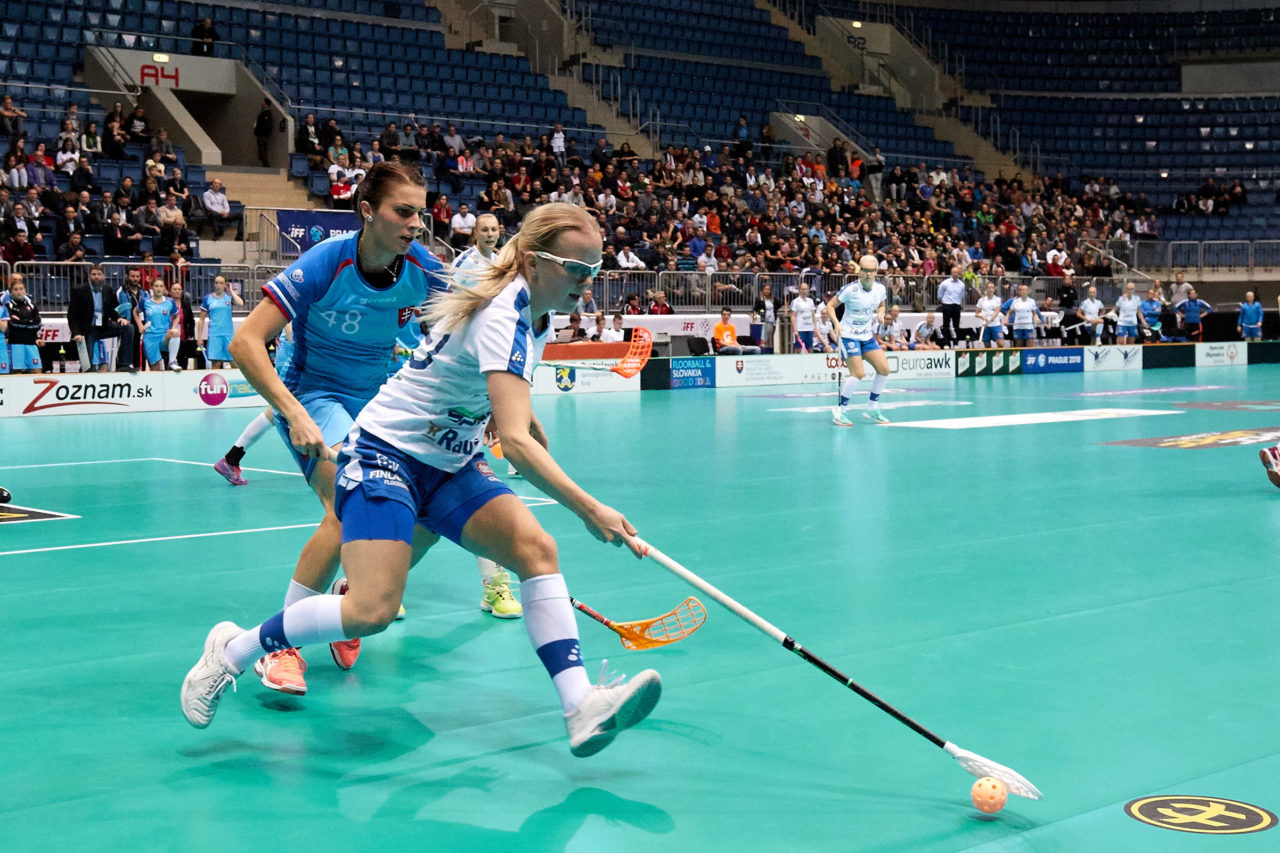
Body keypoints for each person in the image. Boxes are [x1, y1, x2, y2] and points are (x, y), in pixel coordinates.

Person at [181, 203, 663, 759]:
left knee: (535, 549)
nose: (587, 282)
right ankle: (233, 651)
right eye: (576, 268)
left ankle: (581, 708)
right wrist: (590, 508)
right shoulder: (506, 314)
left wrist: (517, 413)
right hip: (388, 453)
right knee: (371, 612)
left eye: (595, 271)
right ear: (534, 261)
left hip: (449, 461)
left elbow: (496, 406)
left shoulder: (540, 313)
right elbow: (519, 449)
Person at [203, 162, 444, 696]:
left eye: (421, 215)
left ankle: (346, 596)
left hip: (380, 402)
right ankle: (280, 646)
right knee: (345, 507)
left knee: (427, 508)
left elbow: (469, 324)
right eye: (402, 212)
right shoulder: (326, 263)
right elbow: (246, 343)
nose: (414, 225)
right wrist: (295, 412)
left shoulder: (423, 267)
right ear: (366, 213)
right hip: (316, 394)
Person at [452, 211, 523, 618]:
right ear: (473, 233)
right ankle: (370, 585)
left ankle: (495, 586)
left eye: (495, 230)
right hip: (449, 385)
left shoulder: (506, 270)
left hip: (476, 396)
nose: (490, 235)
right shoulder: (464, 268)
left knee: (477, 498)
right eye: (484, 230)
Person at [827, 255, 891, 426]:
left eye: (871, 271)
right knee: (858, 373)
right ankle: (841, 411)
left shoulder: (880, 289)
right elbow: (830, 306)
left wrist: (880, 313)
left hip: (867, 336)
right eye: (865, 270)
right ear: (859, 271)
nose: (868, 274)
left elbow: (882, 305)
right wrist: (836, 323)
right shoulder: (850, 290)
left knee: (884, 369)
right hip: (849, 335)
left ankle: (872, 407)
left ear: (876, 272)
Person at [68, 265, 125, 372]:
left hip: (103, 326)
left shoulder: (108, 290)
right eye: (94, 274)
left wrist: (119, 318)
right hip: (87, 329)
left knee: (128, 328)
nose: (96, 277)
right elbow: (72, 315)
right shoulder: (79, 290)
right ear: (89, 276)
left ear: (103, 276)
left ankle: (124, 364)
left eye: (99, 274)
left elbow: (114, 308)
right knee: (88, 365)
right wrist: (76, 333)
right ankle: (87, 376)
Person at [200, 275, 244, 368]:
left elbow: (241, 303)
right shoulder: (207, 299)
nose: (218, 285)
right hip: (214, 335)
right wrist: (199, 337)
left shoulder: (229, 297)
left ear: (225, 285)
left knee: (234, 364)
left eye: (221, 283)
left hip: (228, 335)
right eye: (216, 283)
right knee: (216, 365)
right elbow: (201, 319)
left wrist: (231, 290)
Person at [136, 277, 178, 371]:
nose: (159, 288)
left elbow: (176, 316)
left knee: (175, 333)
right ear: (152, 288)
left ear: (164, 288)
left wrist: (173, 327)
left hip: (164, 337)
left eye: (161, 286)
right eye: (156, 286)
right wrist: (140, 325)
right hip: (150, 337)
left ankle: (172, 361)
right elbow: (135, 312)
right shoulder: (145, 301)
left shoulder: (170, 302)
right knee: (155, 370)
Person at [3, 275, 42, 373]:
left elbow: (37, 323)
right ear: (11, 292)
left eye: (21, 289)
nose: (19, 291)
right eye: (16, 289)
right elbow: (12, 324)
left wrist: (21, 321)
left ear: (25, 291)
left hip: (32, 343)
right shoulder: (8, 306)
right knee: (17, 372)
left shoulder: (32, 305)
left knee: (36, 371)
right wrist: (29, 322)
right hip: (16, 344)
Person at [1006, 283, 1043, 348]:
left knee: (1030, 344)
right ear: (1020, 291)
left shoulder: (1032, 301)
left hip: (1028, 327)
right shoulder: (1015, 302)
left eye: (1025, 290)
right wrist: (1006, 320)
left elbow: (1034, 313)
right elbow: (1009, 313)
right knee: (1018, 345)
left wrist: (1037, 319)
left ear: (1028, 291)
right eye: (1022, 290)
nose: (1024, 291)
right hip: (1018, 326)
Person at [937, 265, 965, 347]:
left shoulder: (961, 285)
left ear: (959, 273)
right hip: (947, 305)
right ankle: (946, 343)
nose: (955, 274)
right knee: (946, 325)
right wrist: (944, 302)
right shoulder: (945, 283)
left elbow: (961, 295)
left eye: (957, 272)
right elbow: (939, 295)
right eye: (954, 272)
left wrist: (957, 302)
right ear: (951, 273)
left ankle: (956, 343)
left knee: (956, 326)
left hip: (956, 305)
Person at [975, 281, 1006, 347]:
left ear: (994, 289)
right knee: (987, 346)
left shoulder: (997, 299)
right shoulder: (981, 300)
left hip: (995, 324)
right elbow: (976, 313)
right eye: (989, 288)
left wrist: (989, 321)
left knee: (1000, 344)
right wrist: (983, 317)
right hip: (984, 326)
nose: (990, 289)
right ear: (986, 289)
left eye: (992, 288)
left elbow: (996, 312)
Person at [789, 281, 818, 352]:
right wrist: (795, 329)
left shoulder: (811, 301)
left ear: (808, 290)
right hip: (800, 329)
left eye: (806, 289)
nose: (804, 291)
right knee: (798, 349)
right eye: (802, 289)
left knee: (810, 349)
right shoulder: (795, 301)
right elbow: (792, 316)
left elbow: (813, 315)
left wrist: (815, 328)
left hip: (809, 329)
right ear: (799, 290)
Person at [253, 99, 273, 168]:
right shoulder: (263, 112)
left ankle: (267, 167)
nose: (261, 102)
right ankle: (265, 166)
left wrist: (261, 132)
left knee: (262, 153)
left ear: (265, 103)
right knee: (261, 153)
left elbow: (266, 125)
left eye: (262, 102)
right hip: (261, 135)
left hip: (263, 136)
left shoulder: (267, 113)